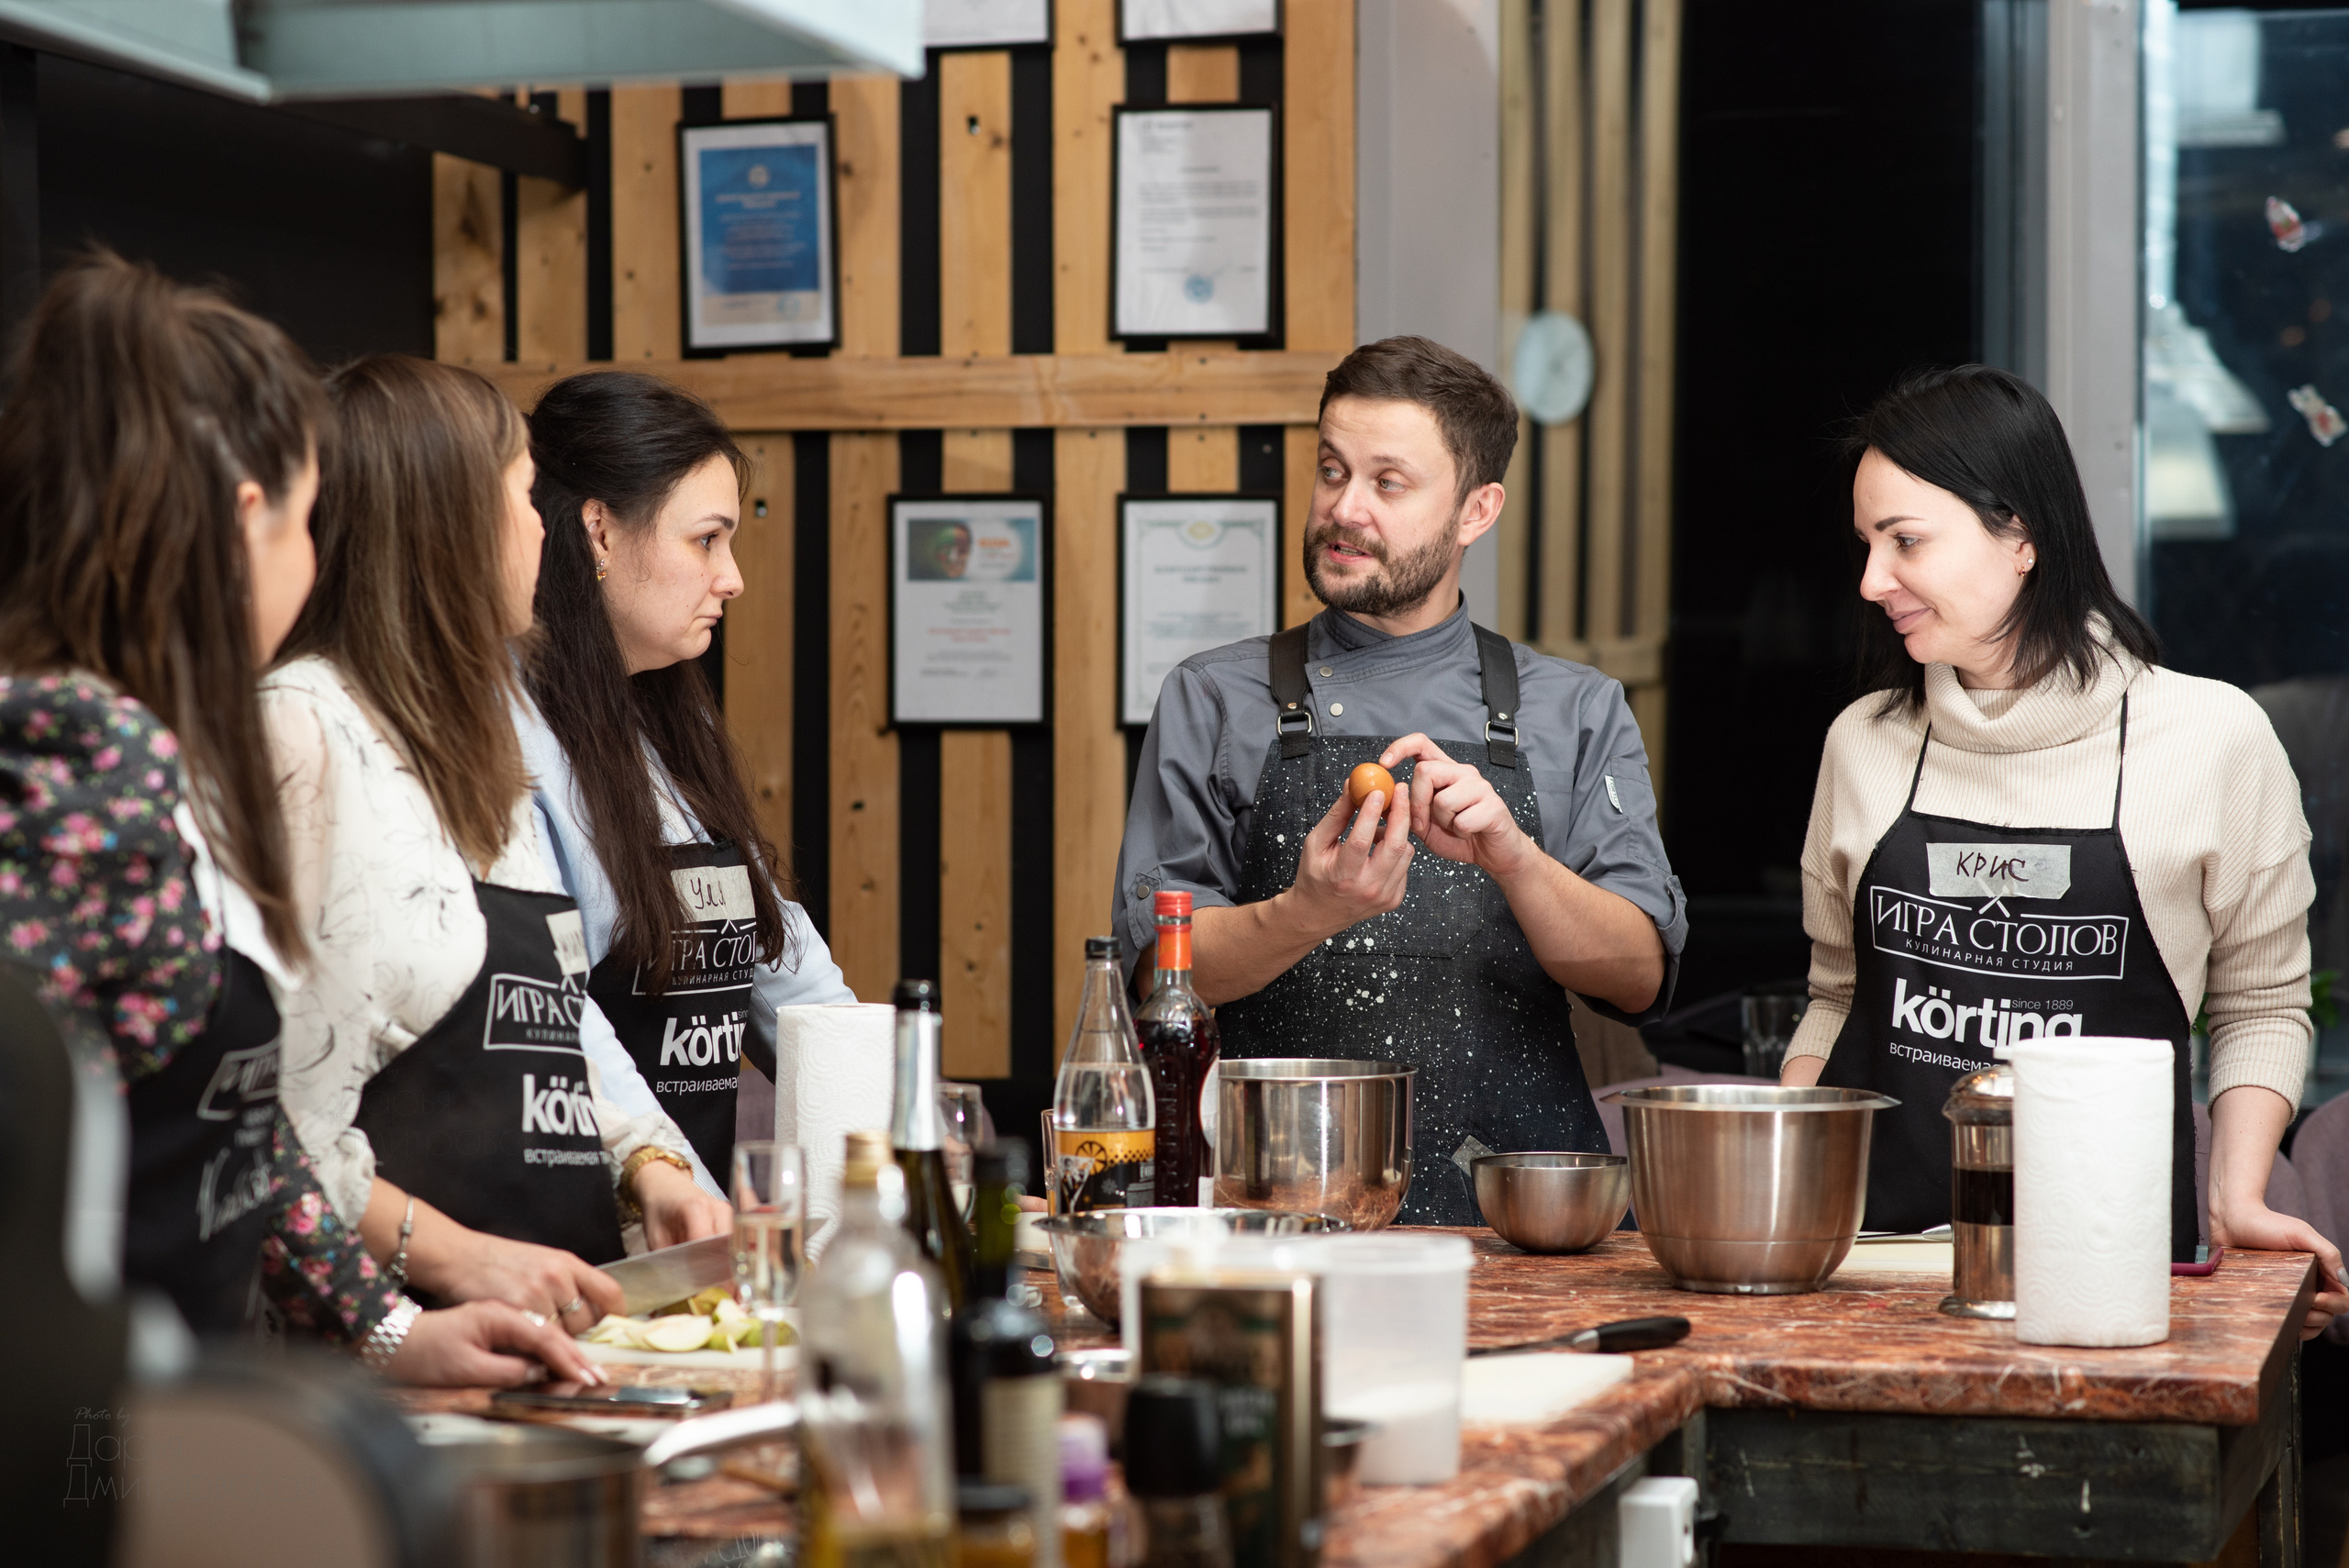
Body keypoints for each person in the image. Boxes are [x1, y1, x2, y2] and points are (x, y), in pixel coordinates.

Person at [0, 253, 599, 1385]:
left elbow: (226, 1130)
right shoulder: (85, 760)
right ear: (243, 520)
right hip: (91, 1426)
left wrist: (395, 1330)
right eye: (306, 517)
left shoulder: (144, 744)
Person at [1784, 363, 2346, 1336]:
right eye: (1866, 544)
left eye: (1904, 540)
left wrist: (2238, 1198)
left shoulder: (2210, 737)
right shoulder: (1863, 741)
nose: (1872, 580)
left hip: (2118, 1273)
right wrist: (1784, 1190)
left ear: (2022, 535)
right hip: (1880, 1272)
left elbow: (2261, 998)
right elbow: (1836, 995)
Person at [1113, 336, 1687, 1225]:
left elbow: (1637, 975)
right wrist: (1306, 911)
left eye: (1387, 482)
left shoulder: (1572, 708)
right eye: (1330, 470)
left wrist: (1515, 860)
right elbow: (1158, 972)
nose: (1344, 509)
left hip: (1528, 1231)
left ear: (1475, 509)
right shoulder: (1213, 697)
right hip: (1275, 1213)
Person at [266, 355, 728, 1342]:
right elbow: (273, 1118)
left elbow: (548, 1024)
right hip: (384, 1345)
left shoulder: (476, 742)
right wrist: (449, 1263)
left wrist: (648, 1162)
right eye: (523, 495)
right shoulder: (304, 730)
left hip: (540, 1319)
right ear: (443, 522)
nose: (541, 528)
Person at [516, 370, 852, 1186]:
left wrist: (899, 1151)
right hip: (578, 1226)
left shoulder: (671, 724)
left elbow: (791, 974)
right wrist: (676, 1187)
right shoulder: (511, 739)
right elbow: (550, 1014)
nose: (731, 576)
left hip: (686, 1244)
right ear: (598, 530)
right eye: (707, 539)